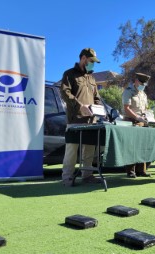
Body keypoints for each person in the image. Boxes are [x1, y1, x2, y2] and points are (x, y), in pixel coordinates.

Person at [60, 48, 102, 186]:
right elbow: (65, 93)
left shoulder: (91, 77)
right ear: (83, 58)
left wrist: (99, 109)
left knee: (89, 150)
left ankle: (87, 175)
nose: (92, 64)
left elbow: (97, 98)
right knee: (72, 151)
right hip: (75, 119)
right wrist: (80, 106)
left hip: (91, 120)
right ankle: (67, 178)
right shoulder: (69, 74)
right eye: (91, 61)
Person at [122, 72, 151, 178]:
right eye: (142, 83)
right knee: (131, 147)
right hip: (130, 121)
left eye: (145, 84)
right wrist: (137, 117)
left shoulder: (143, 94)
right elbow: (126, 108)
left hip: (142, 122)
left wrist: (148, 116)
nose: (144, 86)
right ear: (137, 81)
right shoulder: (128, 92)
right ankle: (130, 171)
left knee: (142, 147)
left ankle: (141, 170)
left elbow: (145, 109)